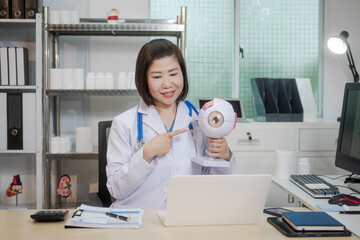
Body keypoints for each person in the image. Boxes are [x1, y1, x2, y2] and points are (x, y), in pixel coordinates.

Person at [106, 39, 236, 209]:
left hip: (185, 216)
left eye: (173, 74)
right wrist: (146, 154)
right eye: (157, 76)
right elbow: (116, 189)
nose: (167, 84)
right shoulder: (123, 123)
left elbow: (211, 182)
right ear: (144, 80)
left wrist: (223, 157)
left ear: (183, 74)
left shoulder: (200, 120)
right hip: (138, 219)